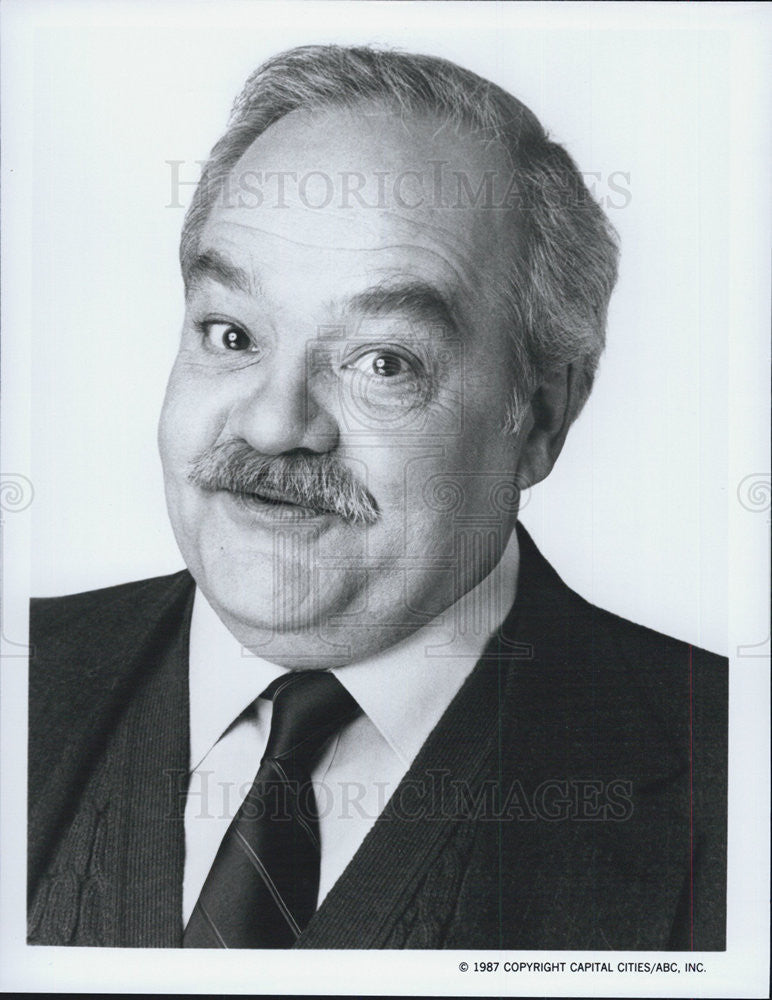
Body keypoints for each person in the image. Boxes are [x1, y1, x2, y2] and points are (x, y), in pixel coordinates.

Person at [27, 44, 727, 950]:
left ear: (543, 416)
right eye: (232, 333)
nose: (276, 425)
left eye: (383, 363)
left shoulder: (735, 776)